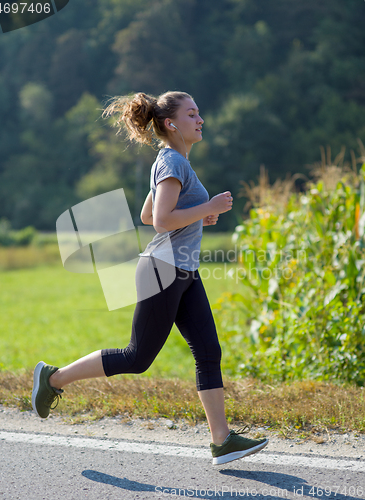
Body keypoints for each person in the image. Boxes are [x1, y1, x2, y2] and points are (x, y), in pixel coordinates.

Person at [32, 91, 268, 465]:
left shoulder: (171, 161)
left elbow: (147, 214)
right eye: (192, 114)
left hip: (183, 270)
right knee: (137, 357)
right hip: (164, 270)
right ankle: (53, 378)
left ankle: (222, 441)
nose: (201, 119)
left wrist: (195, 213)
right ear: (172, 123)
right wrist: (209, 206)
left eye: (199, 113)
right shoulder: (173, 161)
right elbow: (159, 221)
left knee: (208, 352)